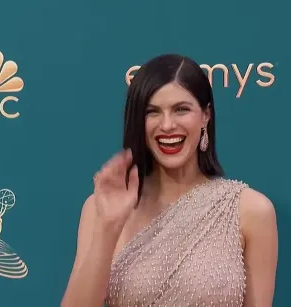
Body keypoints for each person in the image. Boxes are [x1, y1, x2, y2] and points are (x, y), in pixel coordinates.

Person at [61, 54, 278, 307]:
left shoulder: (249, 211)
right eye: (152, 112)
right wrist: (108, 228)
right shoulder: (99, 208)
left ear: (205, 116)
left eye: (181, 109)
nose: (167, 125)